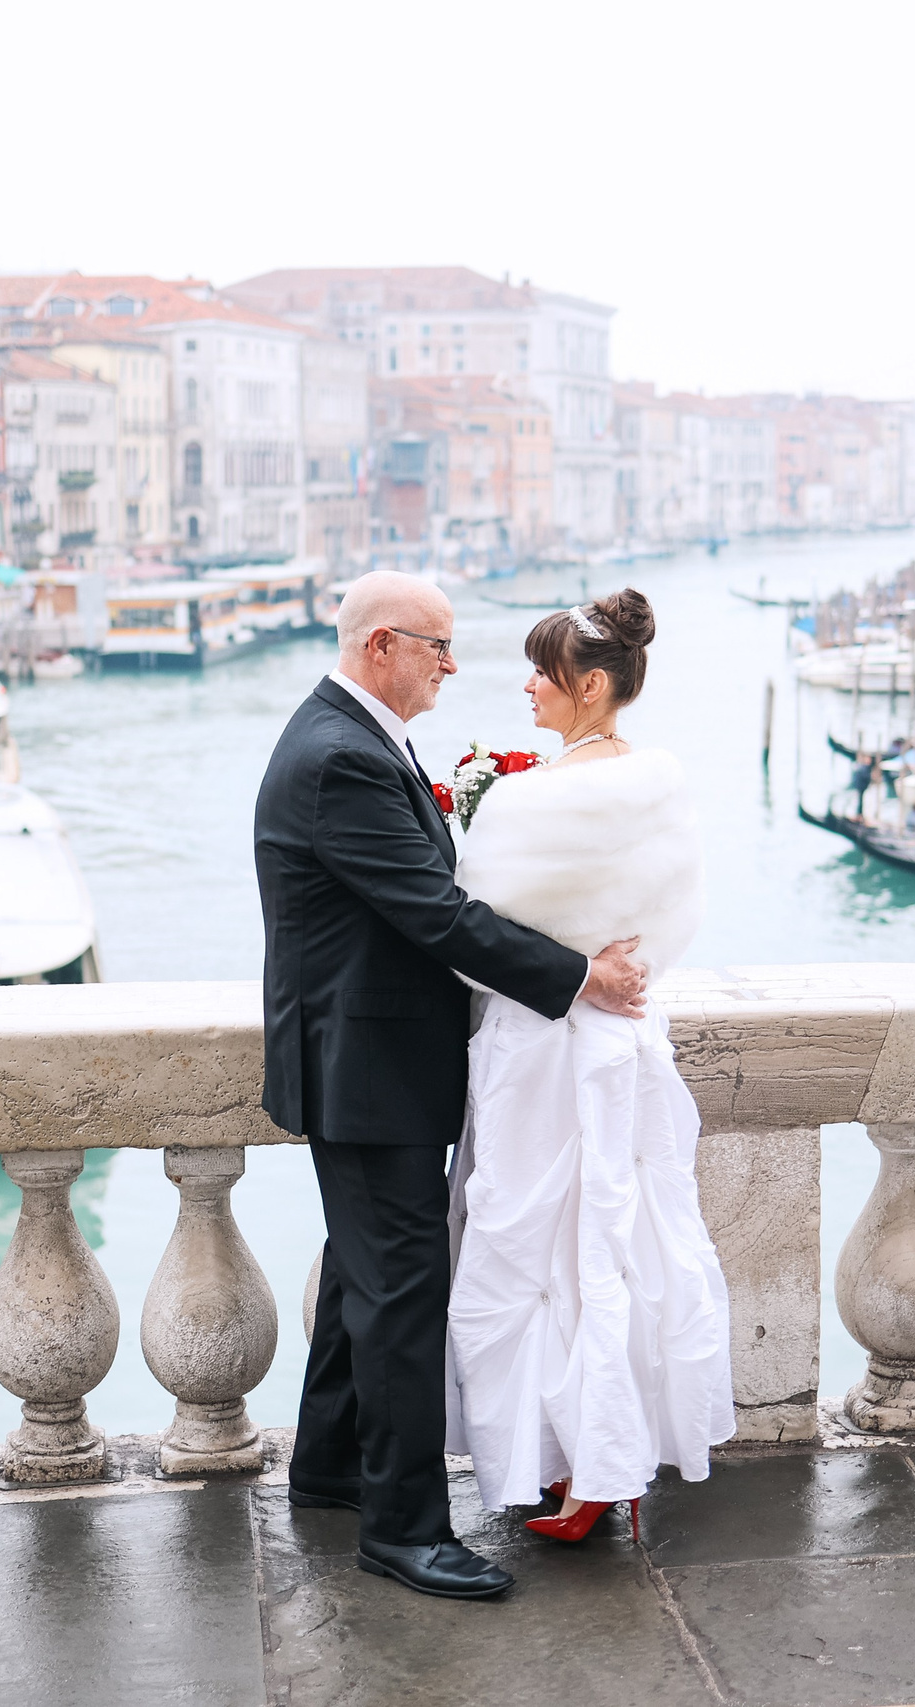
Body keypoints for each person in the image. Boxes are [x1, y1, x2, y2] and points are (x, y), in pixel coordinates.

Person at [254, 569, 649, 1603]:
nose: (451, 663)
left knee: (360, 1275)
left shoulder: (348, 737)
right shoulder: (341, 756)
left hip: (359, 1061)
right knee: (399, 1297)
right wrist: (578, 978)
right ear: (381, 646)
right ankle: (402, 1528)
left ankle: (330, 1467)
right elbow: (433, 914)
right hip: (365, 1070)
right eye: (436, 645)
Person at [445, 589, 733, 1547]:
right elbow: (674, 922)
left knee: (539, 1252)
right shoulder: (662, 785)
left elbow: (469, 935)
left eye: (542, 670)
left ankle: (579, 1466)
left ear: (591, 684)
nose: (527, 684)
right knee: (615, 1247)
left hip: (544, 1047)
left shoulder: (533, 798)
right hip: (627, 1043)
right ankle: (605, 1463)